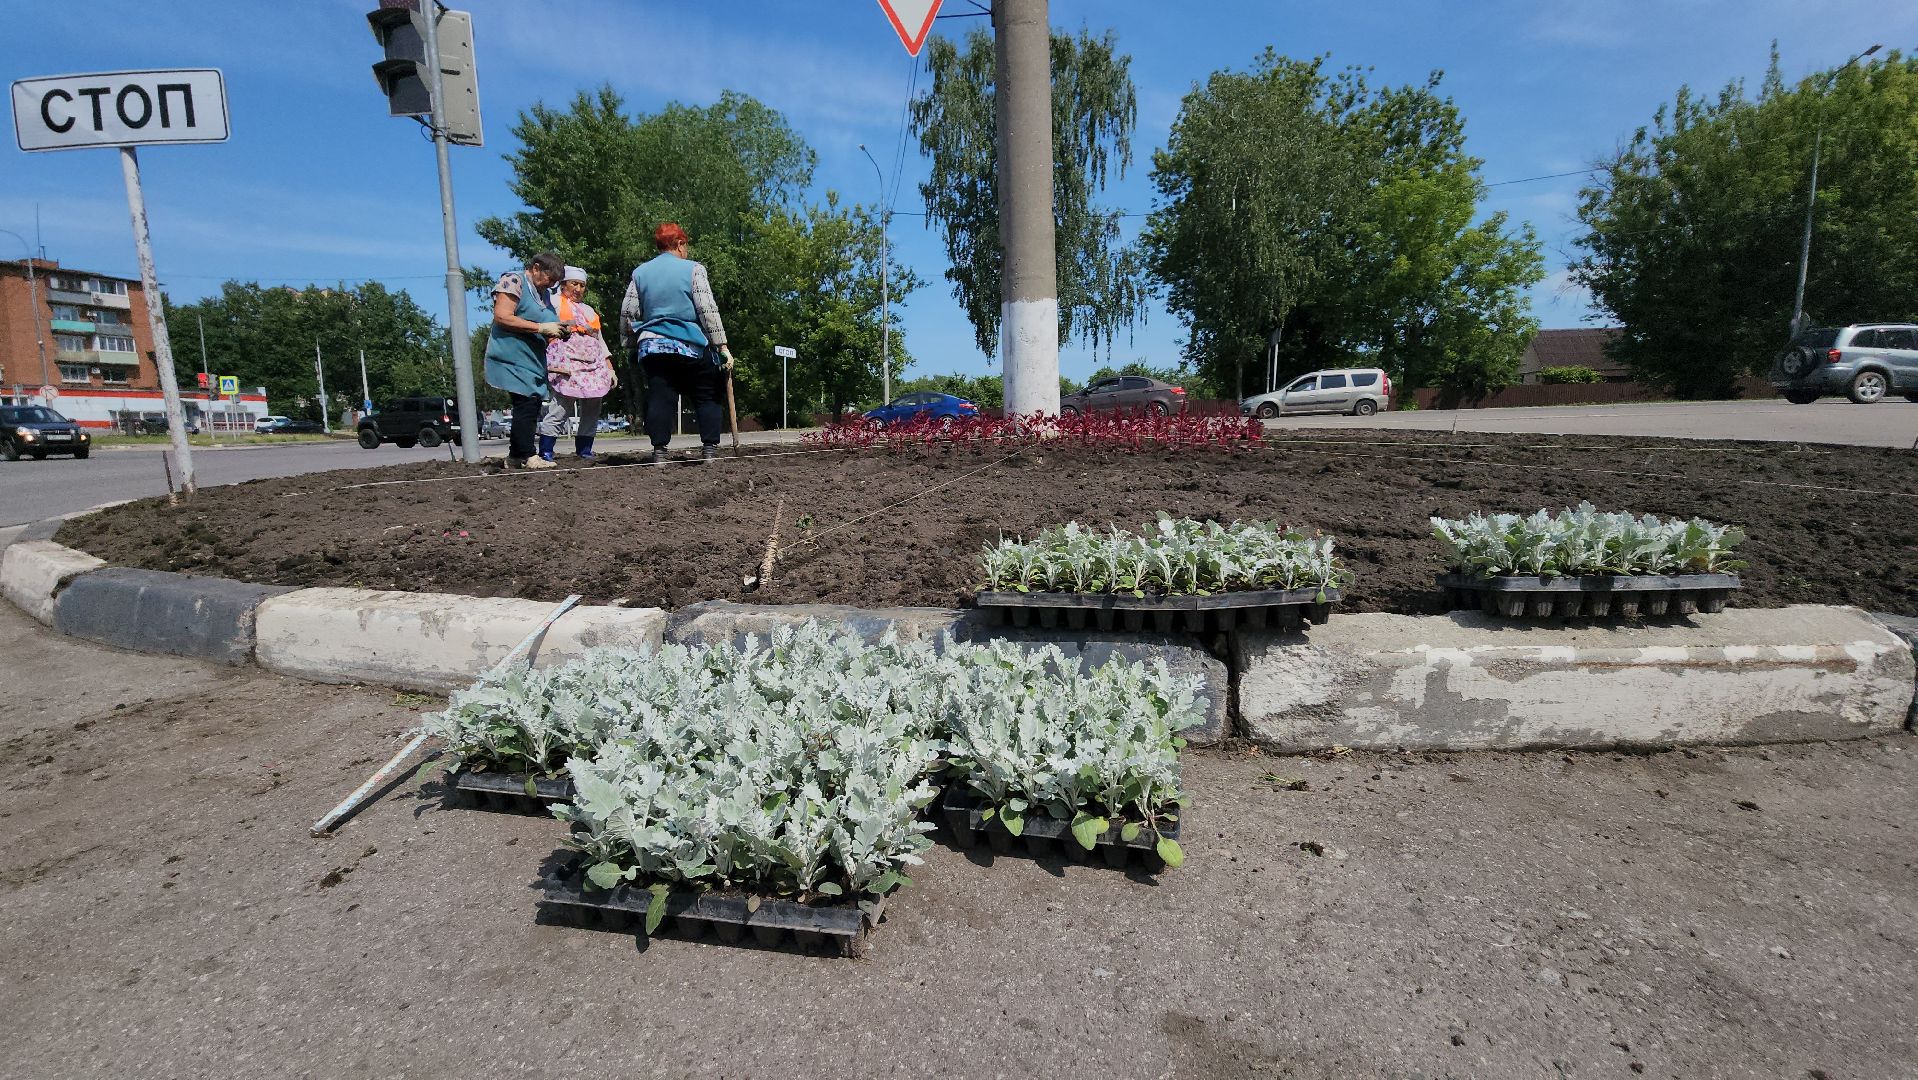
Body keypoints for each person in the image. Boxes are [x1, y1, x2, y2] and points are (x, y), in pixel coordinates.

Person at [621, 222, 734, 464]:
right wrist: (721, 345)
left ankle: (660, 452)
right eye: (686, 246)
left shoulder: (641, 272)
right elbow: (706, 308)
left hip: (653, 345)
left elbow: (628, 312)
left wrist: (630, 340)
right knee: (707, 392)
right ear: (680, 244)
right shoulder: (693, 269)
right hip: (688, 342)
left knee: (661, 395)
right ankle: (709, 450)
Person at [483, 252, 565, 469]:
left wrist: (560, 329)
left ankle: (514, 457)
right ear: (536, 268)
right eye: (549, 279)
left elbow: (546, 320)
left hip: (532, 359)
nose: (550, 285)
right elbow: (502, 316)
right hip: (511, 355)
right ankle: (528, 455)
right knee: (526, 402)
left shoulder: (543, 293)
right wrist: (540, 327)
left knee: (531, 402)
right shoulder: (513, 281)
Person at [537, 265, 617, 463]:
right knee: (561, 407)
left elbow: (600, 341)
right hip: (567, 364)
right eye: (574, 284)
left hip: (593, 366)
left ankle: (585, 450)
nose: (579, 289)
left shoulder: (589, 311)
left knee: (593, 405)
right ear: (563, 284)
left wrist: (609, 368)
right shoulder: (552, 303)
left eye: (582, 285)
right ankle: (546, 451)